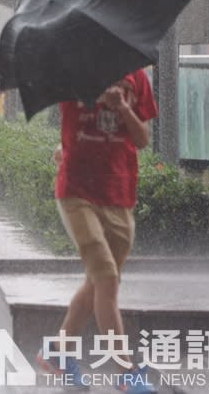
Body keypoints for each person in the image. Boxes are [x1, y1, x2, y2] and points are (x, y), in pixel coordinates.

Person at [36, 70, 158, 394]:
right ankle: (126, 371)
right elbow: (65, 119)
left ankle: (58, 353)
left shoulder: (137, 79)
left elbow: (143, 139)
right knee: (106, 279)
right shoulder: (71, 75)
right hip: (76, 192)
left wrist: (122, 108)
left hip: (120, 194)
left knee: (96, 283)